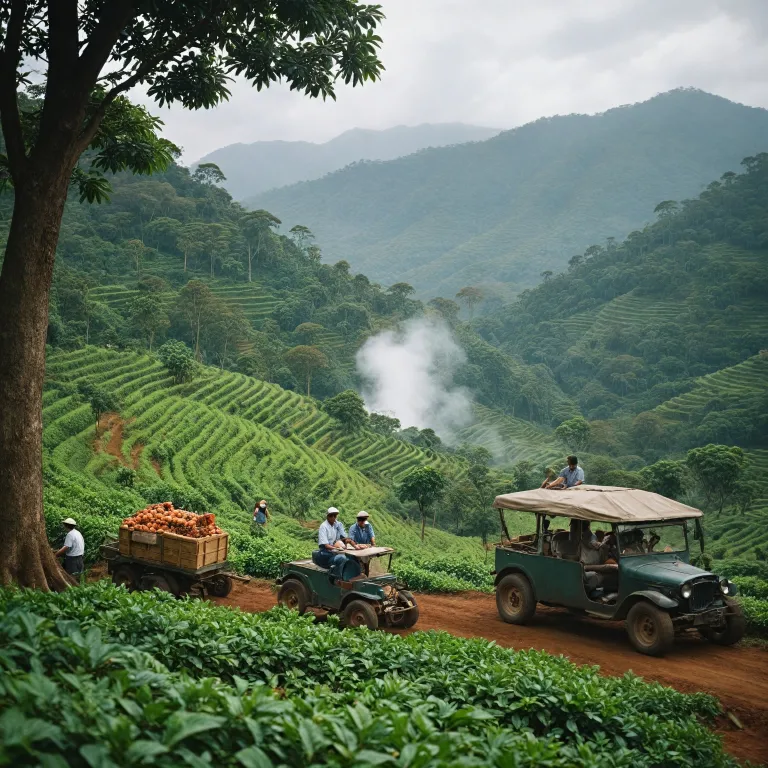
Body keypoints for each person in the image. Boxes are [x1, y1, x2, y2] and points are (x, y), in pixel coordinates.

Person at [316, 507, 364, 578]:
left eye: (335, 516)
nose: (333, 517)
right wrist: (338, 548)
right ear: (327, 516)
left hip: (334, 551)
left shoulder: (338, 525)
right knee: (342, 558)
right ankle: (340, 579)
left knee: (353, 556)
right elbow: (326, 545)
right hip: (325, 553)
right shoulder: (323, 527)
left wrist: (355, 546)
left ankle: (357, 575)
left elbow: (346, 538)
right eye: (331, 515)